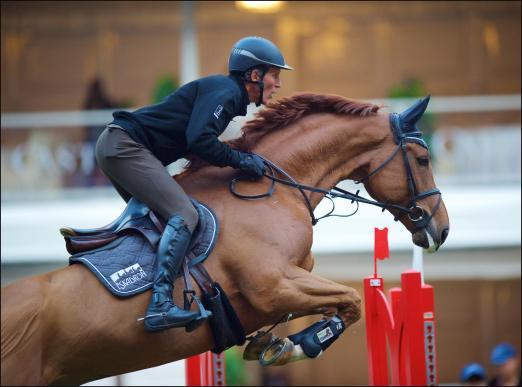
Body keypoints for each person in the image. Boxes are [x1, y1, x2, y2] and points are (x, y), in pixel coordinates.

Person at [95, 36, 293, 332]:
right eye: (274, 75)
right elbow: (200, 140)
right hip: (125, 146)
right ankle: (160, 305)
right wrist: (241, 161)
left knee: (161, 223)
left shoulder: (227, 94)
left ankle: (143, 294)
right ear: (254, 75)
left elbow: (197, 140)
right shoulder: (227, 92)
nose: (278, 84)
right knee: (186, 216)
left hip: (118, 145)